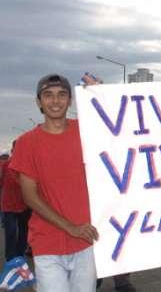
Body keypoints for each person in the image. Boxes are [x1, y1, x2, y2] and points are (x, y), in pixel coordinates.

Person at [10, 74, 137, 292]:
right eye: (48, 95)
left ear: (71, 100)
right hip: (47, 243)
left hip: (87, 240)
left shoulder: (88, 131)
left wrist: (102, 94)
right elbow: (30, 196)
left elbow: (123, 128)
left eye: (62, 95)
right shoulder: (26, 143)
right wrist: (71, 228)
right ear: (39, 102)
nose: (55, 101)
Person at [1, 141, 32, 261]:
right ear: (13, 150)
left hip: (24, 203)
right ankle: (11, 258)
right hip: (9, 204)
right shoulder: (6, 164)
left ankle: (18, 256)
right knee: (11, 232)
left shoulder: (28, 164)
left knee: (23, 231)